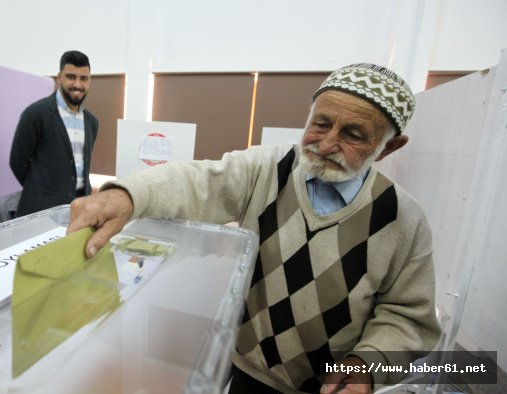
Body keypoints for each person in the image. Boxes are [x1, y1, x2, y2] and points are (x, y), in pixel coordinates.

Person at [67, 64, 441, 393]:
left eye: (354, 135)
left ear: (389, 147)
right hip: (246, 370)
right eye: (321, 124)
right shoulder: (269, 168)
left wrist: (368, 367)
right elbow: (201, 181)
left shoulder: (403, 219)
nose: (326, 144)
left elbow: (408, 316)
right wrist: (127, 195)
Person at [9, 50, 99, 217]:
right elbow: (17, 162)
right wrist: (41, 189)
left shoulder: (91, 122)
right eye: (71, 77)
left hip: (78, 209)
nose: (77, 84)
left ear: (90, 80)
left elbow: (81, 167)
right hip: (40, 211)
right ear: (59, 78)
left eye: (83, 78)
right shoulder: (36, 114)